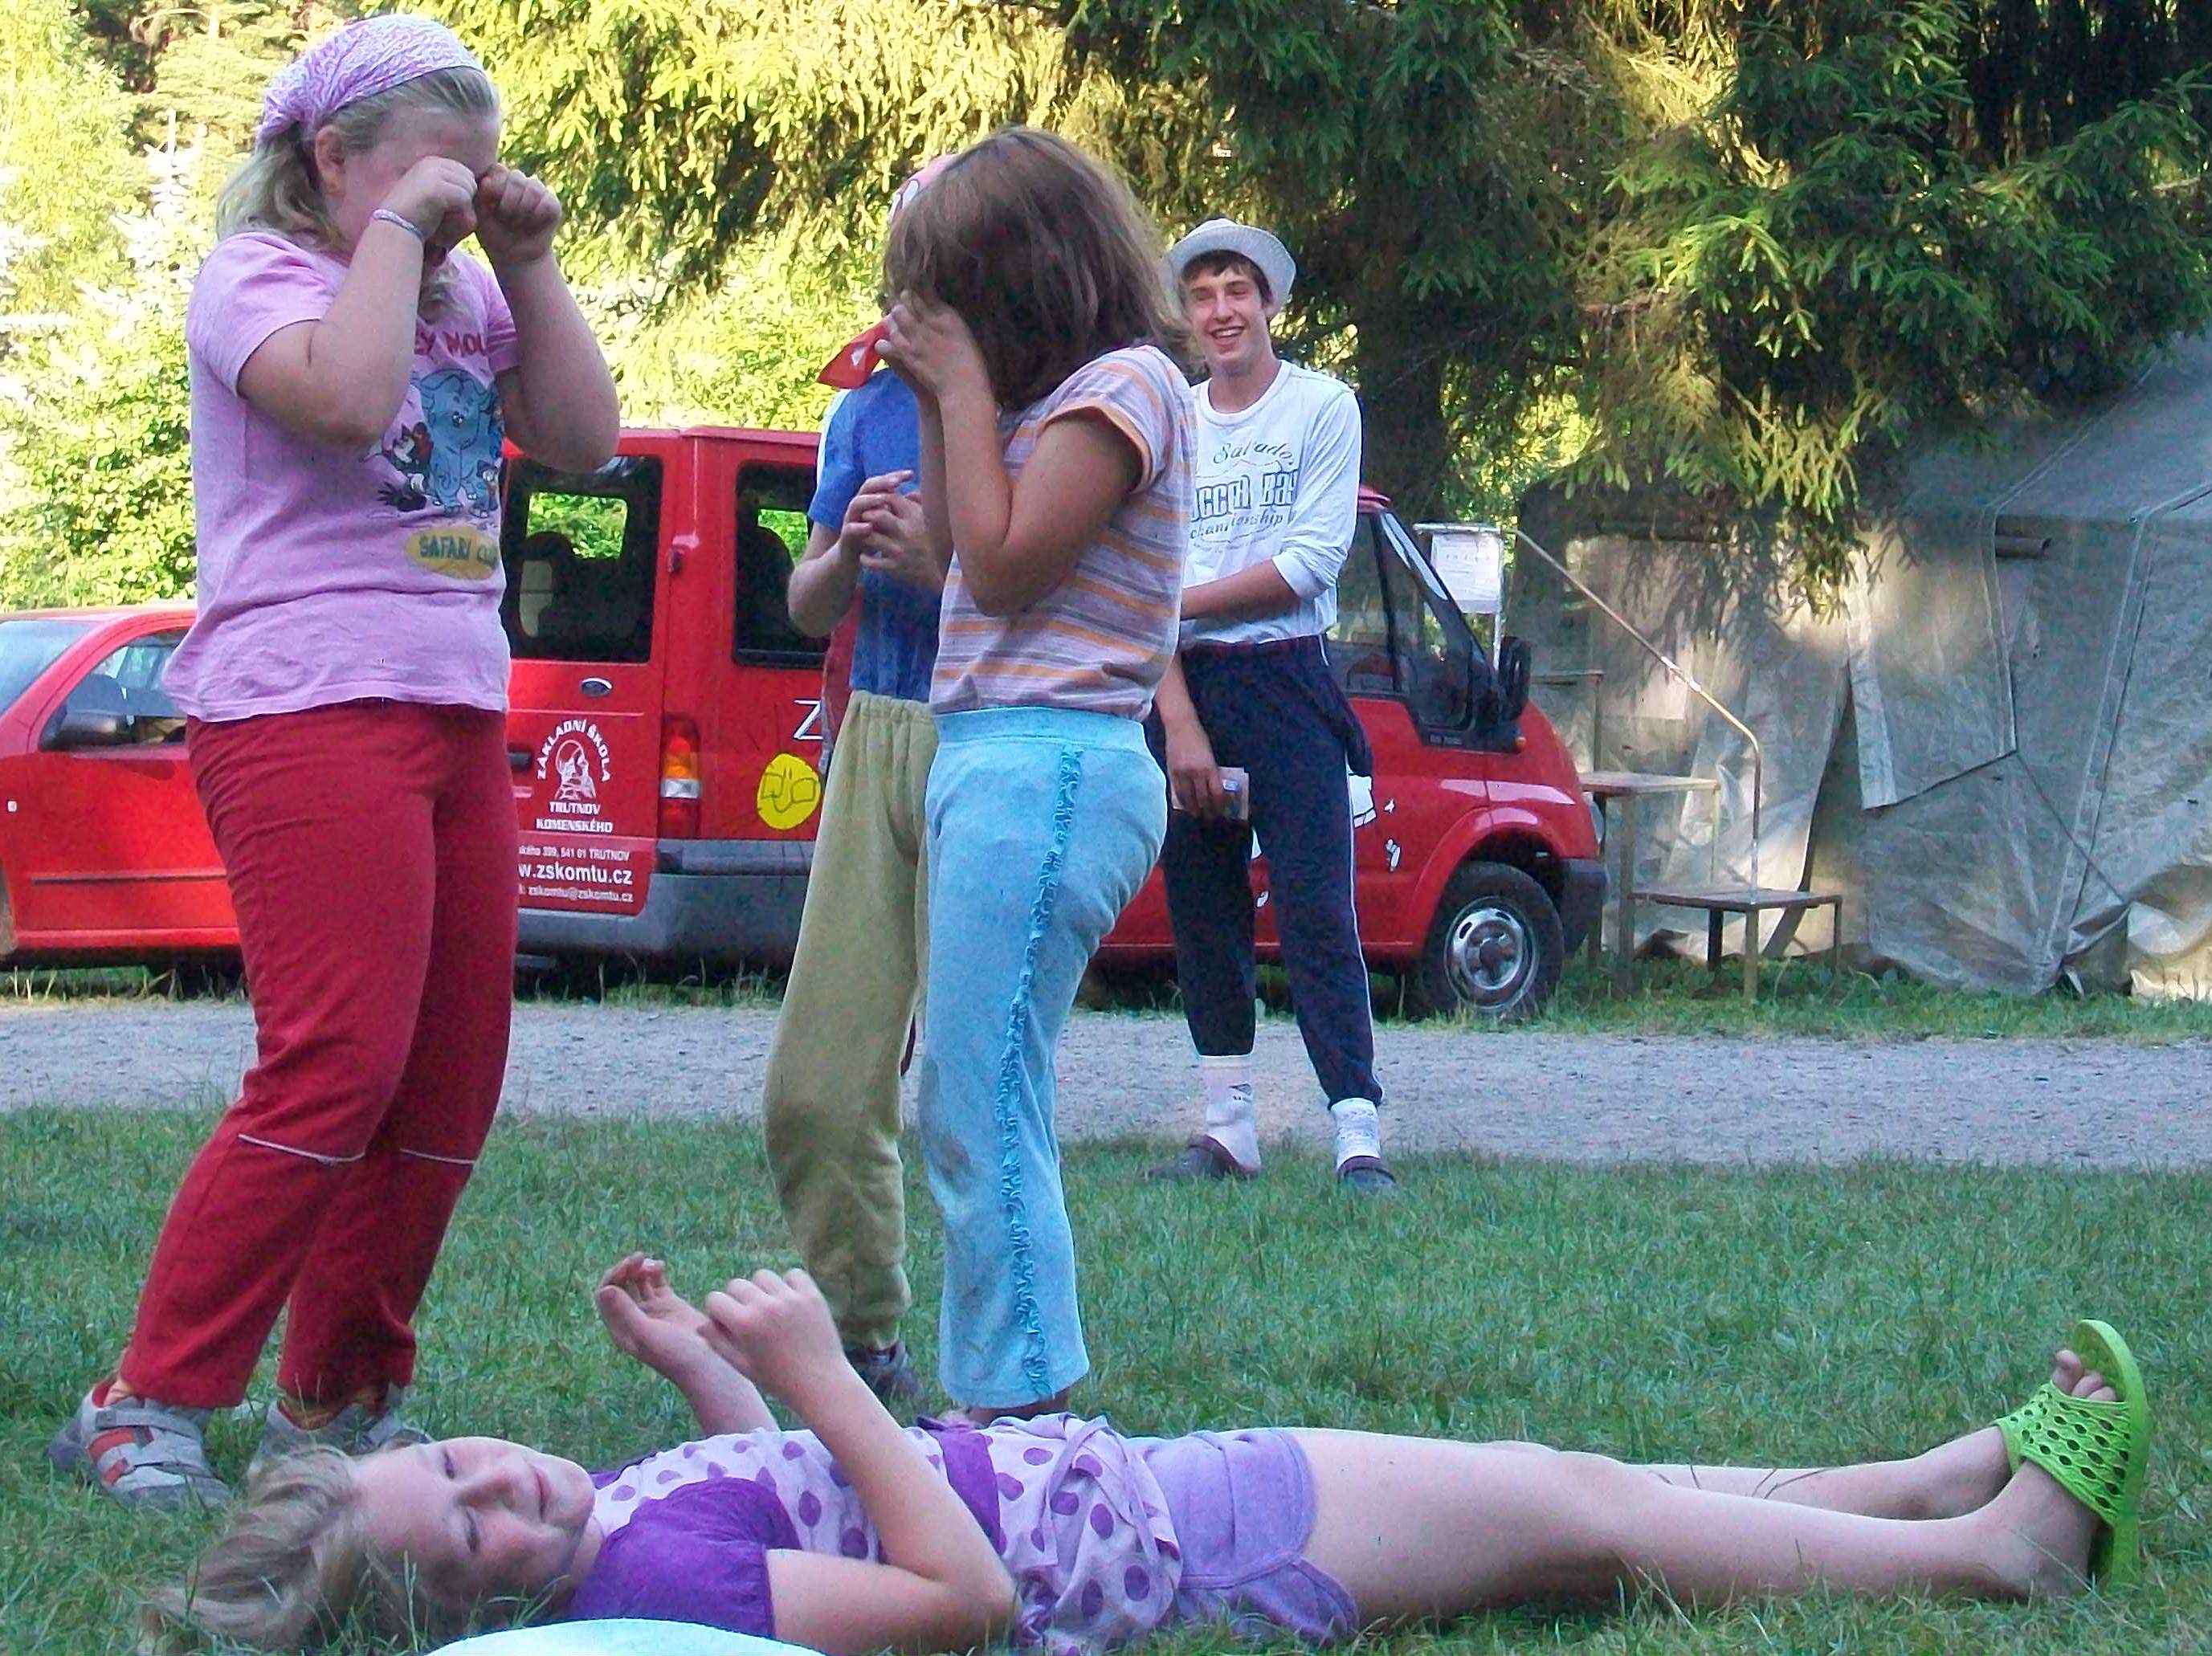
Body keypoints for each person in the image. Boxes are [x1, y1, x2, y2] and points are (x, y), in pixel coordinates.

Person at [46, 13, 618, 1511]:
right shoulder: (257, 277)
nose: (457, 205)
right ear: (329, 159)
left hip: (451, 700)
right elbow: (350, 403)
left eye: (476, 177)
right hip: (302, 702)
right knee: (336, 1061)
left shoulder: (467, 293)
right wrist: (404, 238)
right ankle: (147, 1397)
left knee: (448, 1077)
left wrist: (527, 262)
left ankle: (341, 1399)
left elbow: (581, 439)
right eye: (429, 174)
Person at [150, 1254, 2153, 1655]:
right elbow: (954, 1596)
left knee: (1571, 1475)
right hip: (1193, 1546)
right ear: (486, 1617)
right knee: (1582, 1510)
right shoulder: (651, 1590)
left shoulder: (631, 1544)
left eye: (467, 1458)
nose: (512, 1488)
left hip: (1163, 1486)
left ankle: (1921, 1474)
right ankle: (1998, 1557)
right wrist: (826, 1375)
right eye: (479, 1535)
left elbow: (773, 1498)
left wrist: (704, 1373)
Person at [871, 128, 1194, 1421]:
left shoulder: (1127, 387)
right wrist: (939, 395)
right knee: (967, 1087)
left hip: (1053, 758)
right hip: (990, 754)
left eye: (950, 300)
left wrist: (958, 389)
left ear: (1021, 278)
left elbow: (1002, 570)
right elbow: (955, 549)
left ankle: (1021, 1407)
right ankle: (1004, 1391)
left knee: (978, 1091)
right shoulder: (1030, 407)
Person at [1145, 218, 1395, 1195]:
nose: (1221, 312)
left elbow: (1309, 563)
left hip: (1287, 678)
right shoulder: (1171, 419)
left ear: (1271, 303)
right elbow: (1143, 577)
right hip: (1184, 684)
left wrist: (1178, 608)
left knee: (1315, 908)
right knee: (1203, 909)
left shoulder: (1322, 406)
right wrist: (1179, 721)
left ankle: (1356, 1131)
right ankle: (1228, 1129)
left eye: (1237, 291)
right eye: (1203, 294)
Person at [761, 161, 950, 1416]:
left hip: (1000, 733)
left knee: (972, 1095)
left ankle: (1010, 1385)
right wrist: (847, 559)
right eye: (906, 256)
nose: (915, 281)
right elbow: (804, 599)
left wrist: (947, 567)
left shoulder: (1067, 399)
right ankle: (865, 1342)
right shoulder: (862, 410)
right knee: (818, 1088)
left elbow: (1089, 604)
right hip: (877, 729)